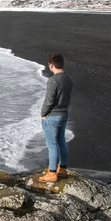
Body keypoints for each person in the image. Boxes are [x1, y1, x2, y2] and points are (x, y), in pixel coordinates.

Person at [39, 53, 74, 183]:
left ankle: (52, 172)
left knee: (52, 144)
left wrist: (43, 114)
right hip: (64, 114)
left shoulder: (53, 80)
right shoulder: (69, 79)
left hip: (53, 116)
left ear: (51, 65)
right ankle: (63, 168)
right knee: (61, 141)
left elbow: (49, 100)